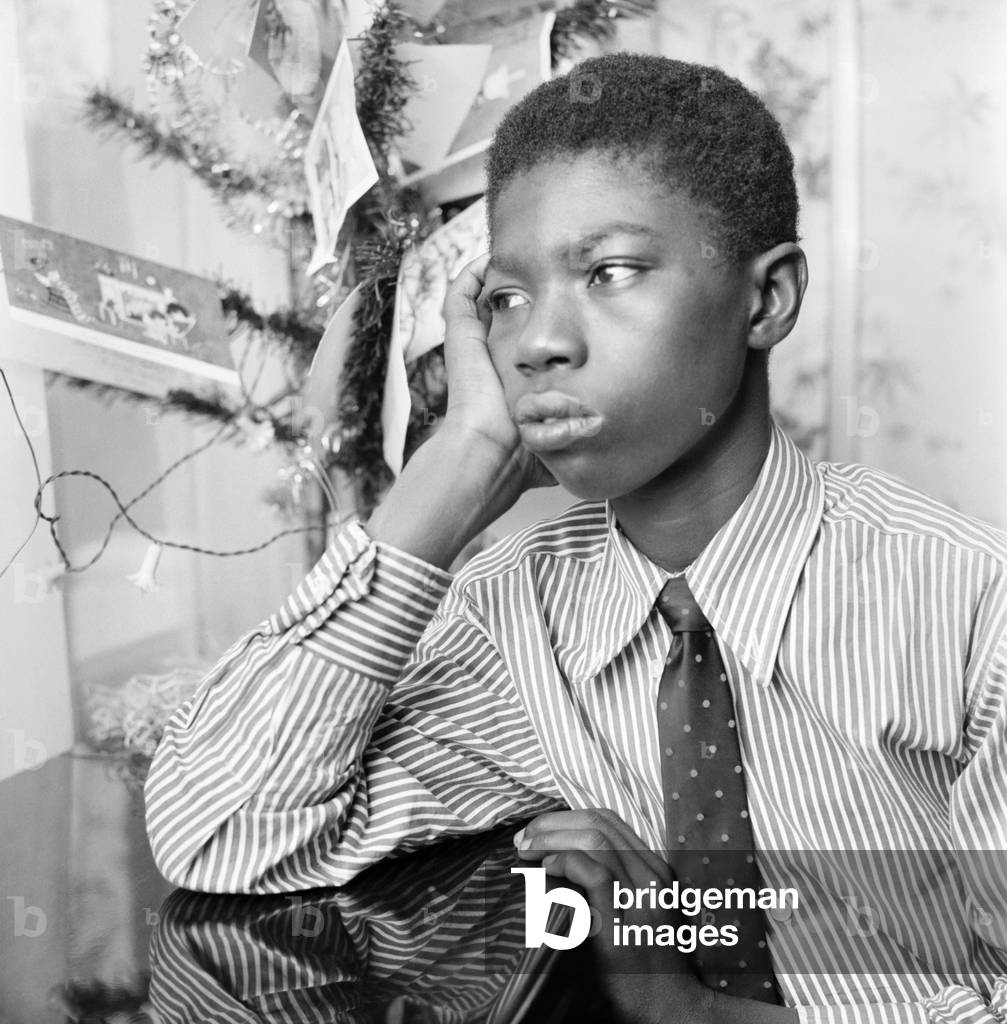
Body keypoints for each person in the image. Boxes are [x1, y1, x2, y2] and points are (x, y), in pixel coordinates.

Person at [145, 53, 1007, 1024]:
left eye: (609, 271)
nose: (537, 343)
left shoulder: (970, 608)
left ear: (764, 300)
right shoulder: (518, 617)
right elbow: (224, 828)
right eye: (506, 298)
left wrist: (696, 1014)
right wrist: (458, 463)